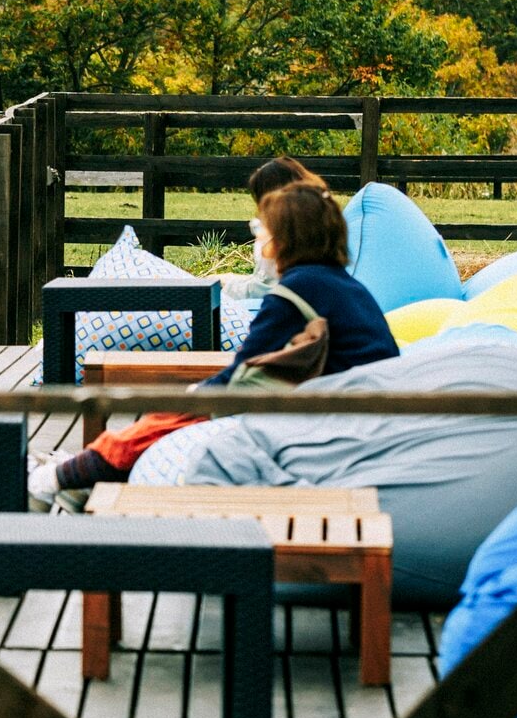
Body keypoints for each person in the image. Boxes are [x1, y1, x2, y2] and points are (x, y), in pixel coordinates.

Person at [30, 180, 400, 511]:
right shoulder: (341, 285)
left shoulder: (294, 292)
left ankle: (54, 479)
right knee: (176, 413)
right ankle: (81, 478)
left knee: (167, 418)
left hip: (336, 420)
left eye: (261, 231)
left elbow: (241, 369)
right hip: (362, 410)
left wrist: (194, 394)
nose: (258, 242)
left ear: (284, 240)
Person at [218, 156, 327, 301]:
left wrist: (224, 286)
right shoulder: (317, 225)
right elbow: (266, 279)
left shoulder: (290, 236)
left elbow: (266, 289)